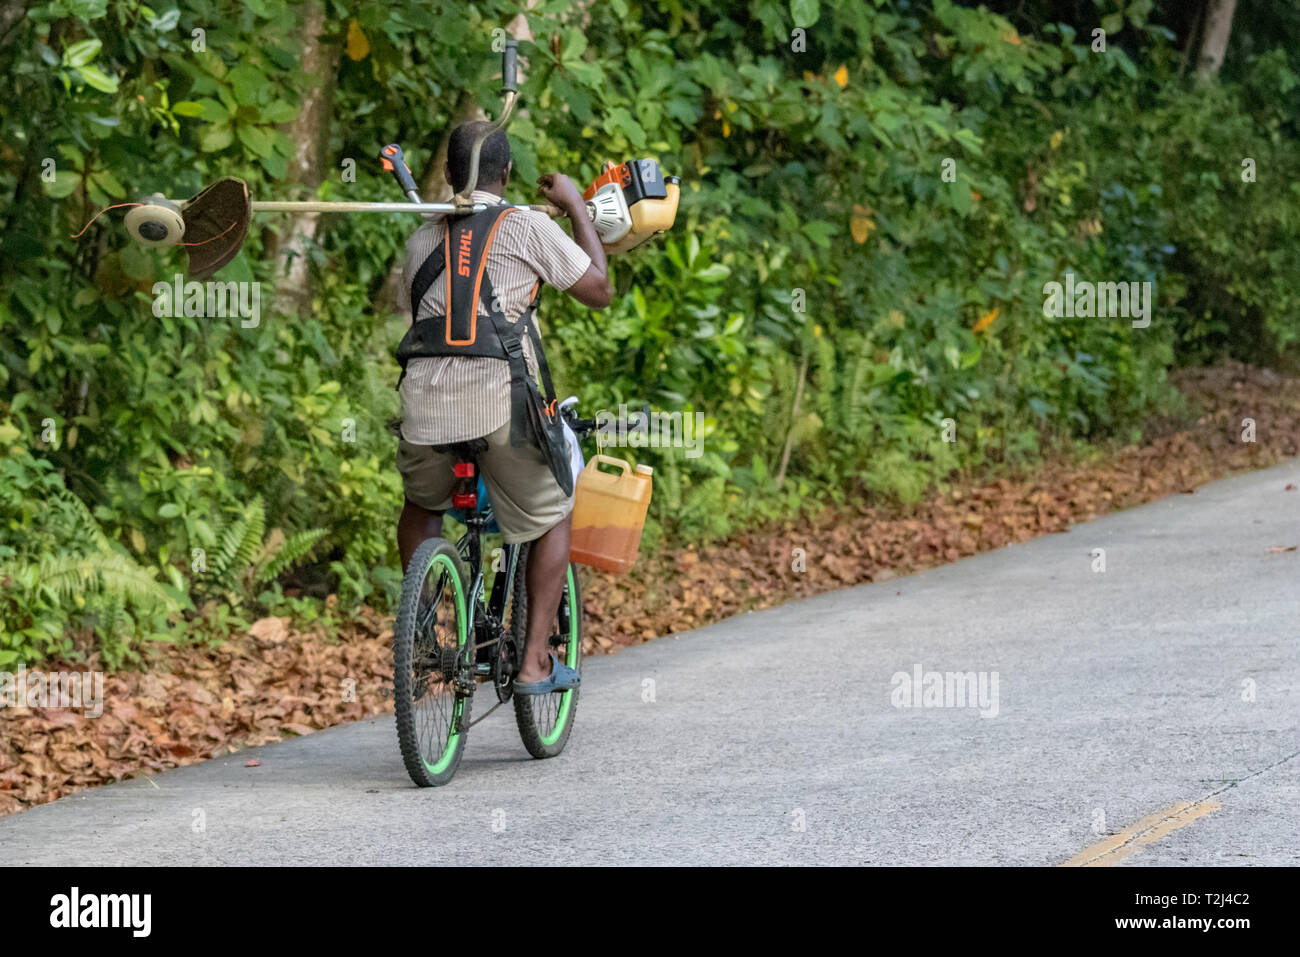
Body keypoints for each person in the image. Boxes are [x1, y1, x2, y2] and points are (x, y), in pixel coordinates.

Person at [394, 121, 611, 692]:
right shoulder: (528, 225)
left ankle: (419, 631)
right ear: (507, 174)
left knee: (421, 503)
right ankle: (535, 660)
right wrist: (575, 209)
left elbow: (412, 312)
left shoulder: (421, 239)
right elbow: (598, 290)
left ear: (447, 174)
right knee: (552, 513)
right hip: (501, 407)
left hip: (423, 409)